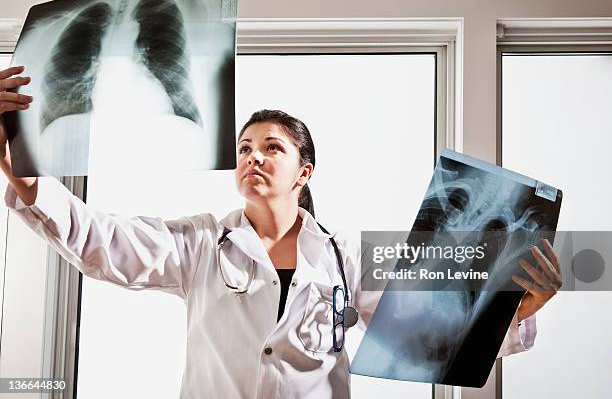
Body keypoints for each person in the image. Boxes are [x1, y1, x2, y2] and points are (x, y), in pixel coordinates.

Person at [0, 66, 562, 398]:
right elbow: (100, 240)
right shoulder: (198, 244)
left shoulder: (345, 256)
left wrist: (520, 309)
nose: (254, 157)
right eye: (245, 148)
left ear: (305, 172)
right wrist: (18, 166)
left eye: (272, 148)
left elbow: (427, 339)